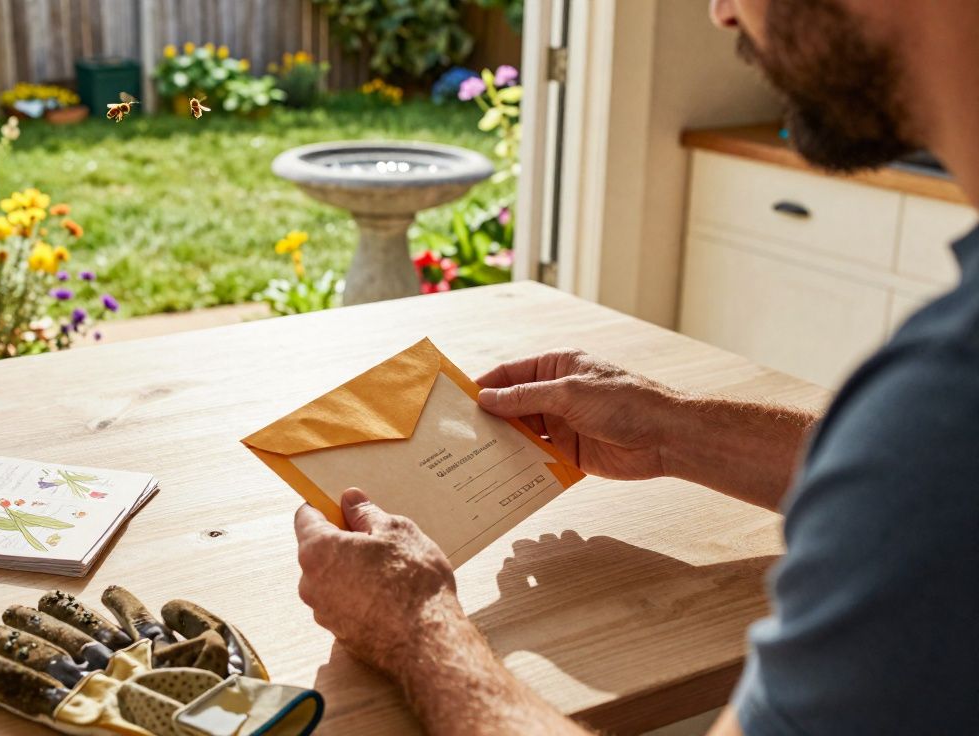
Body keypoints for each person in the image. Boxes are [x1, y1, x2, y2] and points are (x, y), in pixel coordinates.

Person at [294, 0, 979, 733]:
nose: (721, 12)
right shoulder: (933, 429)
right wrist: (673, 430)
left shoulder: (943, 402)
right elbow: (918, 477)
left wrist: (418, 626)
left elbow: (924, 472)